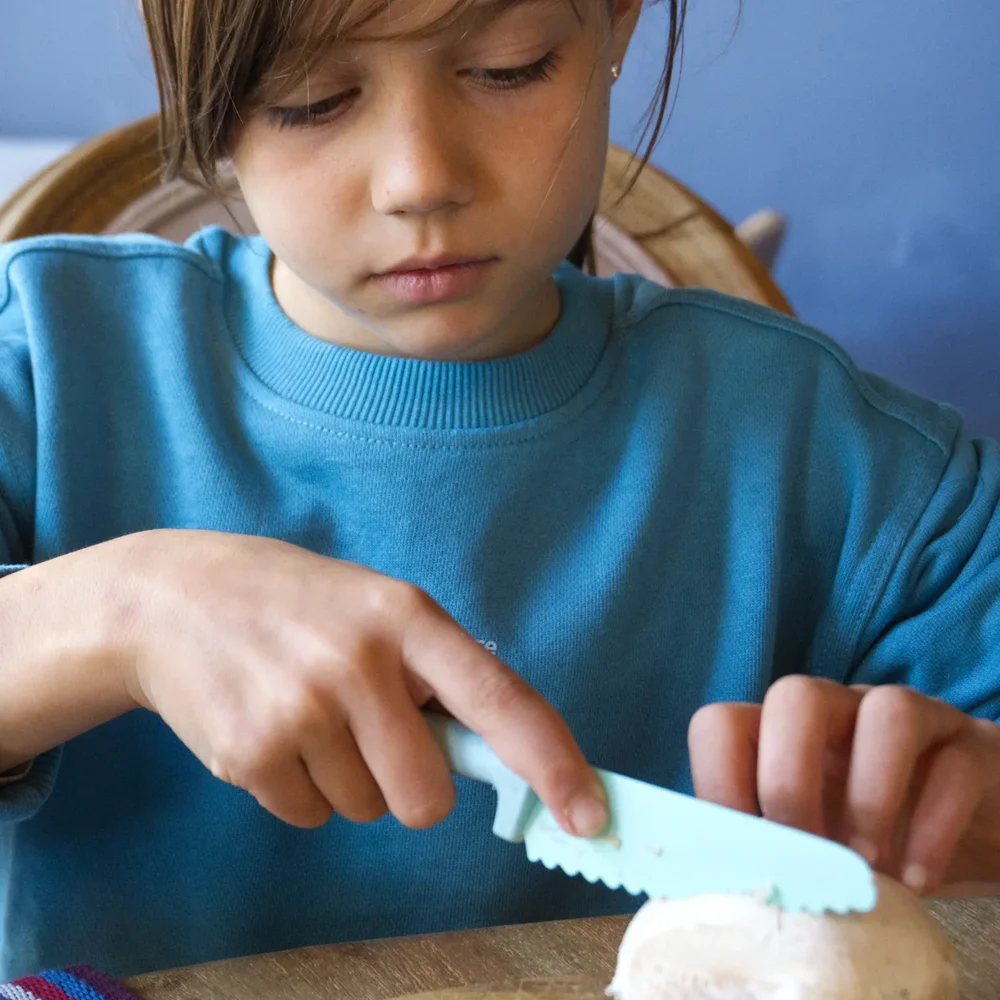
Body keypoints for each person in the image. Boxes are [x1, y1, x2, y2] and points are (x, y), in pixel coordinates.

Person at [0, 0, 998, 982]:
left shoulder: (832, 449)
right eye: (310, 100)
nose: (419, 179)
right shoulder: (47, 357)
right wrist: (121, 611)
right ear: (205, 95)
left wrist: (965, 808)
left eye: (510, 68)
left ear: (615, 22)